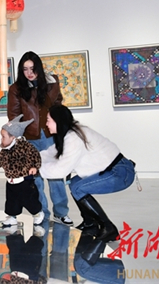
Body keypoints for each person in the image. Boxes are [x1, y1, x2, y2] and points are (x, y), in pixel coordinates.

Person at [40, 104, 136, 242]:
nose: (46, 124)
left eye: (48, 120)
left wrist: (36, 169)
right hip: (116, 170)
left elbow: (61, 170)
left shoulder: (74, 138)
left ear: (58, 121)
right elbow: (52, 153)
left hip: (120, 173)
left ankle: (108, 228)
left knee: (78, 188)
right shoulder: (71, 133)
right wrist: (33, 159)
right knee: (75, 182)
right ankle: (90, 224)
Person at [8, 51, 73, 226]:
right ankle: (42, 213)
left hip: (49, 135)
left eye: (32, 68)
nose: (29, 73)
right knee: (35, 179)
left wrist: (62, 130)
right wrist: (18, 141)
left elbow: (58, 107)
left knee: (56, 176)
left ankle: (61, 213)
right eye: (25, 69)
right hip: (29, 137)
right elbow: (14, 115)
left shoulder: (51, 82)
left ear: (39, 68)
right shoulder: (16, 89)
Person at [0, 115, 45, 228]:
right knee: (12, 200)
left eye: (3, 137)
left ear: (13, 137)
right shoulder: (5, 151)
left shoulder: (25, 147)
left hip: (24, 180)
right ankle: (12, 217)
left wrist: (34, 167)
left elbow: (35, 156)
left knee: (29, 199)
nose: (1, 139)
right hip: (11, 181)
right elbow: (0, 160)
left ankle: (37, 213)